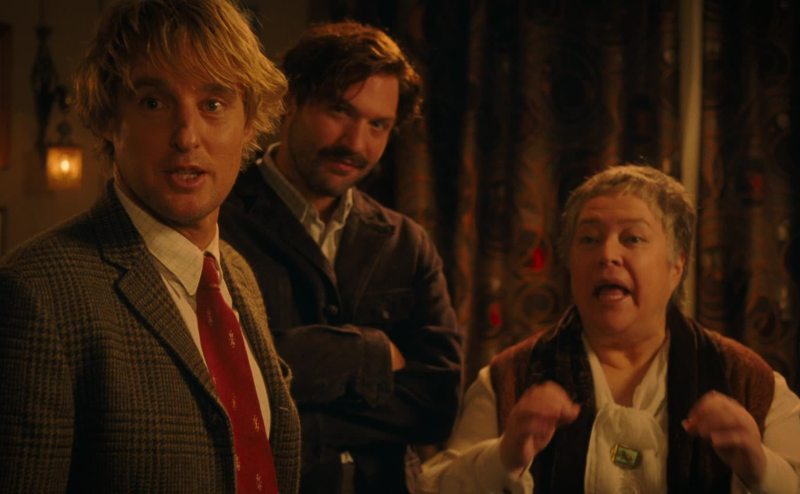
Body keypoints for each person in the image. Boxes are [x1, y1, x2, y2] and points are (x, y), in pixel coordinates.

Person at [0, 0, 300, 492]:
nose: (187, 137)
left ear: (249, 123)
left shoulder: (236, 273)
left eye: (214, 104)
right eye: (154, 103)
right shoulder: (37, 293)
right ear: (107, 118)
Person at [418, 164, 800, 493]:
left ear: (676, 266)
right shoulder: (510, 379)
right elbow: (432, 486)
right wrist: (503, 456)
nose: (607, 255)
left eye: (632, 238)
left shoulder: (748, 381)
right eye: (589, 239)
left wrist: (758, 464)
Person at [220, 20, 462, 493]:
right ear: (291, 99)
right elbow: (223, 379)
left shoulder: (406, 241)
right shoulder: (218, 223)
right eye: (339, 111)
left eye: (378, 125)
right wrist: (370, 352)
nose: (356, 143)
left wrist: (302, 423)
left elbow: (437, 403)